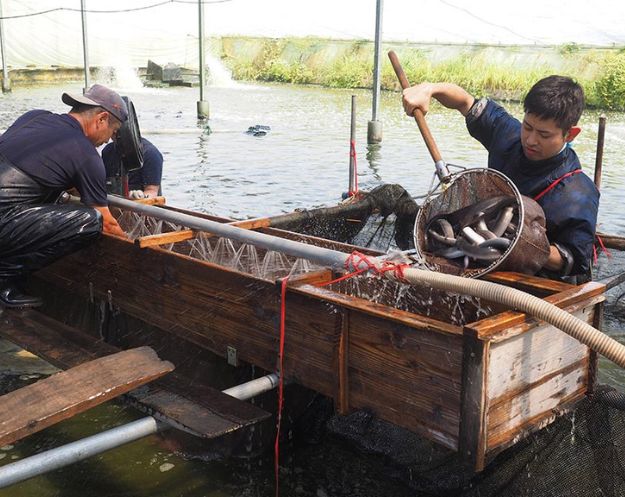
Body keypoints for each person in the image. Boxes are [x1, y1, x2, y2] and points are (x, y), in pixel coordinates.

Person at [402, 75, 599, 283]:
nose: (531, 140)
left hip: (533, 283)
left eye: (544, 134)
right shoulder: (509, 135)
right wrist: (431, 89)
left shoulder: (579, 193)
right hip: (479, 257)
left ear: (570, 134)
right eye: (528, 127)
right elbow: (465, 102)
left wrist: (525, 244)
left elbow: (573, 259)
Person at [0, 83, 128, 308]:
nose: (108, 140)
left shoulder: (34, 117)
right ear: (101, 119)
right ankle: (4, 279)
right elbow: (107, 223)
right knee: (90, 221)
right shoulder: (86, 154)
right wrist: (132, 248)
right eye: (113, 132)